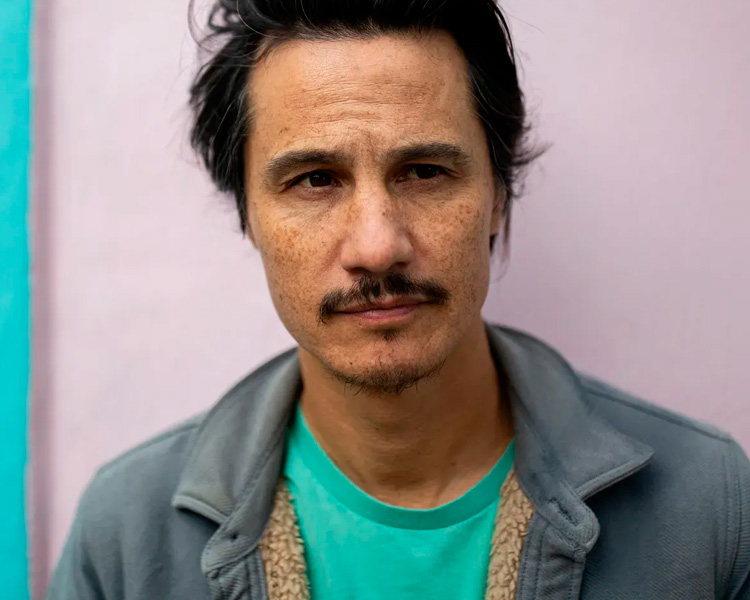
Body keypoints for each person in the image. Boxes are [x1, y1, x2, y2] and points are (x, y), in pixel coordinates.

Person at [47, 0, 750, 598]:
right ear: (247, 216)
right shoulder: (127, 539)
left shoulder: (709, 508)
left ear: (497, 194)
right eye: (315, 180)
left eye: (424, 171)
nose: (378, 246)